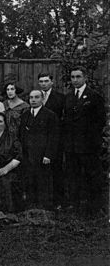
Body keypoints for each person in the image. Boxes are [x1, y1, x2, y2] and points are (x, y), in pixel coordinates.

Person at [63, 66, 106, 215]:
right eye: (73, 77)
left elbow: (100, 122)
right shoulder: (68, 97)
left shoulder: (94, 96)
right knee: (73, 176)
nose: (75, 80)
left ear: (85, 78)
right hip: (72, 146)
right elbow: (67, 121)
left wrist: (90, 141)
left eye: (78, 77)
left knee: (92, 176)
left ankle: (94, 207)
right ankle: (74, 206)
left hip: (88, 146)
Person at [20, 90, 59, 210]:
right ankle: (31, 205)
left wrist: (48, 155)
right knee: (30, 179)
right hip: (28, 154)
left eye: (36, 97)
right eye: (31, 97)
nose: (33, 100)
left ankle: (44, 206)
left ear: (42, 99)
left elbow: (54, 137)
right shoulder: (25, 114)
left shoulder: (50, 115)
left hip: (43, 155)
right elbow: (21, 135)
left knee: (43, 180)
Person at [37, 72, 65, 207]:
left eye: (46, 81)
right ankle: (42, 200)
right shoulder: (34, 97)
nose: (43, 84)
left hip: (55, 140)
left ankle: (58, 201)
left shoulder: (60, 98)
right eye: (41, 81)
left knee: (56, 170)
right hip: (38, 140)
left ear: (52, 82)